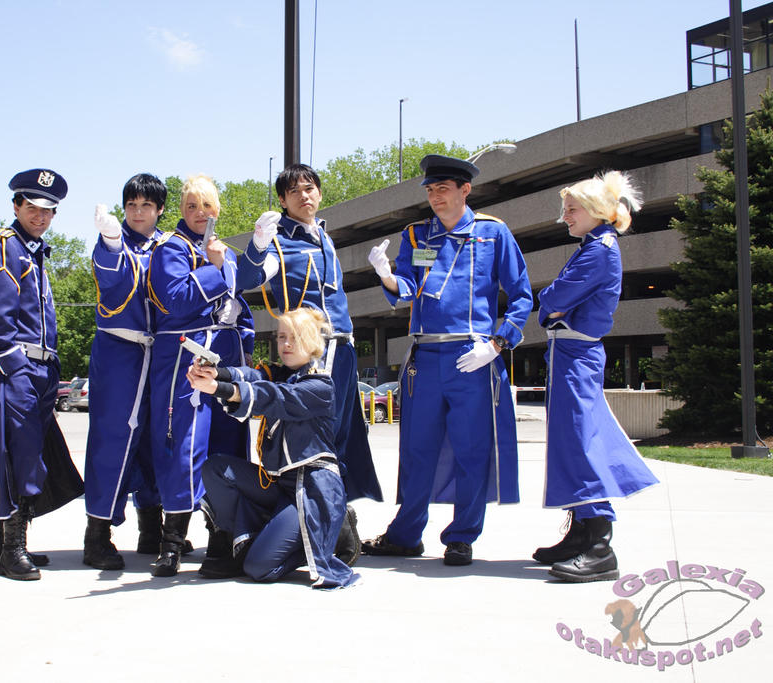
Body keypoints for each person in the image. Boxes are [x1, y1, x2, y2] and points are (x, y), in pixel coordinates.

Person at [362, 154, 533, 566]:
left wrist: (496, 345)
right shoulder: (417, 235)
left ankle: (461, 537)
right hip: (426, 354)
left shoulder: (493, 234)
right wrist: (386, 276)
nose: (435, 197)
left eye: (443, 189)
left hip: (471, 356)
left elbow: (522, 296)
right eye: (430, 190)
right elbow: (407, 289)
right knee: (417, 449)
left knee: (472, 449)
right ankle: (406, 534)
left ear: (465, 190)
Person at [236, 163, 382, 563]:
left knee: (347, 435)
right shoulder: (280, 240)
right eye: (295, 191)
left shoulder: (325, 235)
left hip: (344, 345)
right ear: (283, 200)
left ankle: (340, 516)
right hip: (313, 352)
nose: (305, 196)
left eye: (311, 188)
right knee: (320, 439)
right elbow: (247, 279)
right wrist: (258, 244)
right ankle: (326, 528)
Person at [534, 171, 659, 583]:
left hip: (576, 352)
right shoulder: (594, 246)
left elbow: (554, 297)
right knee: (572, 443)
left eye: (570, 210)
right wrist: (551, 304)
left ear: (594, 211)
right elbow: (552, 302)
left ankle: (600, 544)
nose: (563, 217)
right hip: (569, 351)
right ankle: (582, 533)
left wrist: (550, 301)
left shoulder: (600, 250)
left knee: (581, 442)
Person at [0, 168, 83, 581]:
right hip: (17, 366)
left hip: (40, 366)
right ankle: (13, 549)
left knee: (21, 450)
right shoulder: (6, 247)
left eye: (48, 210)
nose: (40, 215)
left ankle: (2, 543)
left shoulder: (31, 249)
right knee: (23, 453)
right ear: (17, 205)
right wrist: (17, 369)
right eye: (32, 207)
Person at [189, 307, 359, 589]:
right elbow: (251, 377)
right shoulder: (278, 373)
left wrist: (218, 389)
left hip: (311, 490)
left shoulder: (320, 385)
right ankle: (239, 545)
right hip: (278, 485)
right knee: (216, 469)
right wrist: (215, 372)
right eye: (281, 337)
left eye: (295, 337)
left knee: (259, 568)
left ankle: (333, 535)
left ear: (312, 341)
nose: (286, 344)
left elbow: (276, 397)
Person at [145, 174, 254, 577]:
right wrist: (214, 268)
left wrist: (247, 345)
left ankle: (222, 540)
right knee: (185, 445)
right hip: (184, 356)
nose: (199, 213)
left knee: (228, 444)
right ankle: (171, 542)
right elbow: (174, 300)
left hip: (226, 354)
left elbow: (239, 306)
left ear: (218, 210)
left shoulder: (227, 252)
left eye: (206, 206)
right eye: (191, 206)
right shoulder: (169, 249)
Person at [82, 173, 169, 571]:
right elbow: (110, 277)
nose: (137, 212)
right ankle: (97, 531)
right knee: (114, 437)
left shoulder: (169, 245)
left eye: (146, 205)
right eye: (131, 204)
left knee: (157, 437)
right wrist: (113, 242)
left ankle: (151, 521)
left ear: (159, 209)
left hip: (162, 352)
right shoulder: (114, 242)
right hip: (120, 349)